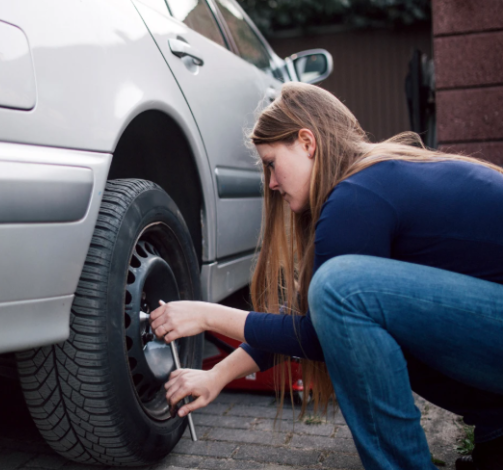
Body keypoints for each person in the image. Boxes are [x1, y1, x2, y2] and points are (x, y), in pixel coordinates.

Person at [149, 82, 503, 470]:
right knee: (349, 305)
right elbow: (308, 322)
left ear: (307, 142)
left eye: (271, 163)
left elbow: (317, 332)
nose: (271, 183)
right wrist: (216, 375)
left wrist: (206, 314)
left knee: (340, 291)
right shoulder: (376, 181)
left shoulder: (357, 194)